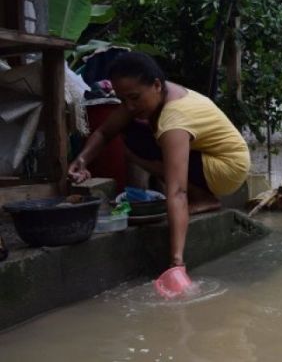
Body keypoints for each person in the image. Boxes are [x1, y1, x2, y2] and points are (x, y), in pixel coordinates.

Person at [68, 52, 250, 268]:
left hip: (229, 167)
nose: (130, 106)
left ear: (156, 85)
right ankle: (201, 194)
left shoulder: (173, 119)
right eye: (123, 99)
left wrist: (176, 263)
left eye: (134, 98)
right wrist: (82, 160)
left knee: (142, 150)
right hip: (208, 156)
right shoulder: (154, 93)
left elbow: (177, 192)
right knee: (132, 134)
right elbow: (105, 132)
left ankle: (204, 198)